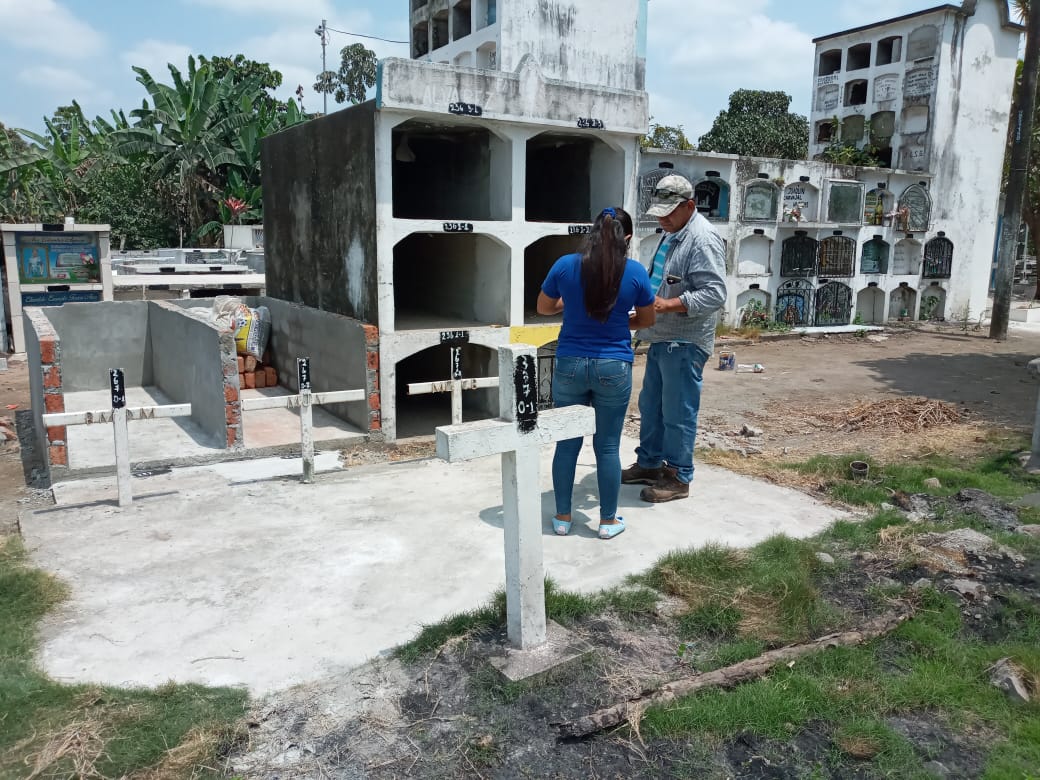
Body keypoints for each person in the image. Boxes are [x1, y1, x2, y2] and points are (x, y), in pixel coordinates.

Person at [537, 207, 655, 539]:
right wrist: (617, 322)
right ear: (626, 238)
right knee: (607, 447)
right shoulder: (635, 272)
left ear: (592, 233)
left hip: (570, 364)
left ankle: (562, 518)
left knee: (566, 445)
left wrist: (572, 306)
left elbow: (544, 307)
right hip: (613, 366)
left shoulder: (565, 265)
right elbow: (647, 320)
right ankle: (606, 522)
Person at [622, 174, 727, 502]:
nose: (662, 219)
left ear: (690, 206)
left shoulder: (703, 239)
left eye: (668, 213)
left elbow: (715, 293)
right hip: (660, 335)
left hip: (684, 340)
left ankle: (678, 476)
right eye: (659, 213)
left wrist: (667, 304)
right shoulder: (672, 233)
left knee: (678, 411)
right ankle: (650, 464)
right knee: (651, 405)